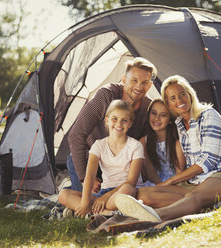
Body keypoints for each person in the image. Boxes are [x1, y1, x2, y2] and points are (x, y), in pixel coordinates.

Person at [114, 75, 221, 222]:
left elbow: (209, 161)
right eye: (173, 98)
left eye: (182, 94)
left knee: (193, 196)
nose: (179, 100)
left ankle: (159, 215)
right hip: (195, 182)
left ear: (190, 94)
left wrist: (170, 182)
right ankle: (216, 203)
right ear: (168, 103)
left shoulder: (208, 115)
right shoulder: (180, 124)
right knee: (144, 194)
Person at [66, 57, 157, 193]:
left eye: (144, 82)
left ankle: (71, 189)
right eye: (134, 81)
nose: (139, 86)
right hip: (89, 159)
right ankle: (73, 186)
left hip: (119, 167)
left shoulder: (147, 108)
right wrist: (85, 178)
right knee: (86, 203)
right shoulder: (106, 95)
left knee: (111, 202)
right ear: (124, 80)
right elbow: (76, 135)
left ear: (149, 86)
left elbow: (143, 146)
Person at [58, 100, 144, 217]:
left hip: (124, 192)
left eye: (124, 120)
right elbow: (90, 175)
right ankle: (108, 214)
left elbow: (131, 182)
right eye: (114, 119)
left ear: (130, 124)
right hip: (105, 192)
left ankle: (94, 213)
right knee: (63, 194)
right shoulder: (99, 145)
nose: (119, 124)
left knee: (127, 190)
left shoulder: (136, 146)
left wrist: (104, 198)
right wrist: (85, 202)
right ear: (107, 120)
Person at [139, 98, 185, 186]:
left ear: (170, 120)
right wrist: (160, 187)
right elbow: (151, 173)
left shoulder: (177, 141)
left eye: (163, 115)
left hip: (177, 182)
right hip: (156, 183)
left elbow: (180, 171)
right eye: (154, 113)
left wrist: (168, 188)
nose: (157, 118)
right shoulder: (143, 142)